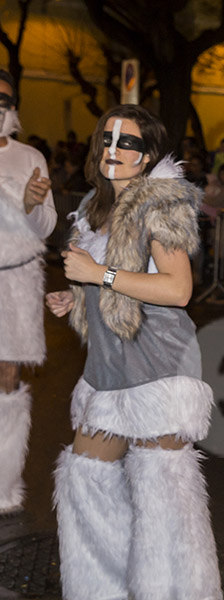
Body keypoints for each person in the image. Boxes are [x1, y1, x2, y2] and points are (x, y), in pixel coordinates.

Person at [45, 104, 221, 600]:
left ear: (146, 158)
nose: (114, 149)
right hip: (106, 368)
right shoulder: (93, 209)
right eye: (107, 138)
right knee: (87, 481)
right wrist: (75, 296)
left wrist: (96, 276)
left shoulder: (159, 204)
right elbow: (110, 285)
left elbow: (178, 288)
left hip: (159, 366)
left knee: (163, 500)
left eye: (128, 143)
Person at [0, 68, 55, 516]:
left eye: (4, 100)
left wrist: (34, 206)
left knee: (7, 381)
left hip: (16, 282)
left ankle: (3, 482)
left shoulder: (30, 156)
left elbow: (46, 228)